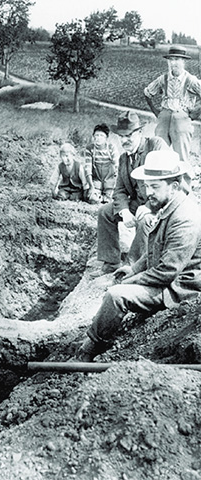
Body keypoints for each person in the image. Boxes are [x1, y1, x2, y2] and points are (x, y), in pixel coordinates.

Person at [76, 150, 201, 362]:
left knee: (116, 296)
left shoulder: (185, 218)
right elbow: (156, 248)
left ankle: (91, 348)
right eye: (146, 185)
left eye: (155, 186)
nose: (147, 192)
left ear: (174, 186)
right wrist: (133, 268)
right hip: (169, 278)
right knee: (121, 286)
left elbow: (167, 271)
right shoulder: (169, 205)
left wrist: (133, 280)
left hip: (180, 288)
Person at [93, 111, 168, 275]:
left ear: (140, 132)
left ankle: (132, 268)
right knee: (105, 212)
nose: (124, 140)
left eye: (129, 135)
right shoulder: (124, 159)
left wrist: (149, 206)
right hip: (137, 204)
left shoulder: (155, 146)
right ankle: (111, 263)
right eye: (121, 136)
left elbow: (164, 182)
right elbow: (119, 190)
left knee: (144, 220)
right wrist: (124, 211)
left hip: (162, 204)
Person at [144, 46, 201, 164]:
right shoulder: (163, 79)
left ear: (183, 61)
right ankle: (161, 181)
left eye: (177, 59)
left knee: (181, 156)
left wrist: (196, 111)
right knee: (158, 152)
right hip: (164, 117)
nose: (173, 63)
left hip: (182, 119)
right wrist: (155, 111)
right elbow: (148, 93)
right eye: (171, 59)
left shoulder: (190, 80)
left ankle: (183, 182)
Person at [84, 123, 118, 203]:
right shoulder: (90, 149)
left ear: (106, 138)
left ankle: (106, 196)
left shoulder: (111, 148)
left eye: (101, 136)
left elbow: (117, 167)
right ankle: (99, 196)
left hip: (109, 180)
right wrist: (91, 187)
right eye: (97, 135)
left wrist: (115, 185)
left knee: (111, 199)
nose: (98, 138)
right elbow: (88, 169)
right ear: (93, 137)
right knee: (92, 199)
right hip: (96, 180)